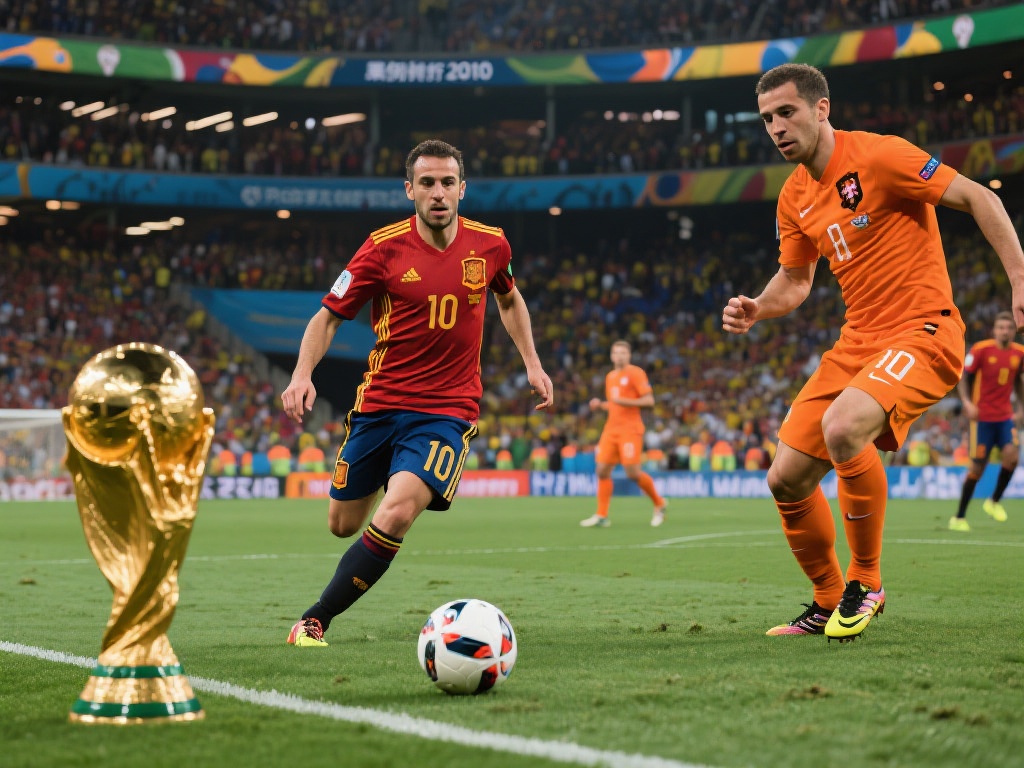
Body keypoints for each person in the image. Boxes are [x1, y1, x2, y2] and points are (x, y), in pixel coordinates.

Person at [722, 63, 1024, 642]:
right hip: (857, 341)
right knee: (785, 478)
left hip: (924, 331)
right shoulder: (793, 196)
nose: (776, 128)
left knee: (843, 428)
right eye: (766, 118)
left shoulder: (881, 156)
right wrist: (759, 306)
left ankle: (867, 583)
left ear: (821, 109)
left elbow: (979, 196)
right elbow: (796, 280)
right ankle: (826, 601)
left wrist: (1018, 277)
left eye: (786, 112)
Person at [281, 139, 554, 647]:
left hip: (447, 410)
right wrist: (302, 374)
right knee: (342, 524)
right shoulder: (381, 247)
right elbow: (328, 317)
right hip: (380, 403)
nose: (438, 192)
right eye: (427, 183)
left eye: (448, 182)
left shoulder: (491, 245)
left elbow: (510, 300)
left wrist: (533, 364)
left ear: (462, 189)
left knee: (398, 511)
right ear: (410, 190)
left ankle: (315, 619)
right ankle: (394, 470)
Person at [579, 340, 668, 528]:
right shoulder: (610, 376)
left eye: (623, 353)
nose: (619, 356)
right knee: (602, 470)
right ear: (611, 356)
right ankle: (602, 515)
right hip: (611, 429)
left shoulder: (636, 373)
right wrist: (601, 405)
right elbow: (615, 404)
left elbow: (649, 401)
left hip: (630, 430)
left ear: (629, 355)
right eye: (616, 353)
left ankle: (659, 503)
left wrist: (624, 401)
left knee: (633, 473)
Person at [951, 311, 1024, 531]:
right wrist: (967, 402)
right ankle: (959, 517)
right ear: (994, 330)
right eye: (1001, 327)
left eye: (1008, 328)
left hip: (1004, 417)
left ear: (1014, 331)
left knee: (1012, 457)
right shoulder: (980, 350)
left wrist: (1021, 407)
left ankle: (993, 502)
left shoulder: (1019, 353)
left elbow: (1018, 381)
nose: (1005, 331)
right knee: (977, 468)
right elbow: (964, 377)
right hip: (981, 418)